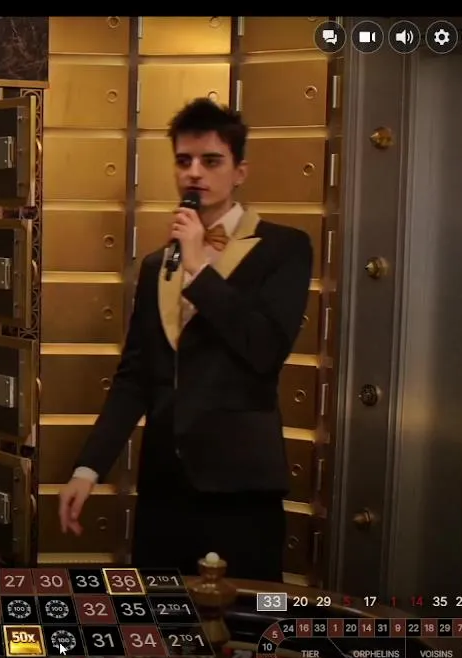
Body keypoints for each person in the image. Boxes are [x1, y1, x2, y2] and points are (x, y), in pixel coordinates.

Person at [56, 98, 313, 581]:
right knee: (160, 615)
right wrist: (88, 469)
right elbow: (135, 376)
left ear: (239, 171)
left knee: (244, 616)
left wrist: (199, 267)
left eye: (211, 161)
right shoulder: (157, 265)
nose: (195, 173)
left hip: (239, 488)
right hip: (163, 488)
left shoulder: (284, 248)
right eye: (184, 161)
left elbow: (264, 350)